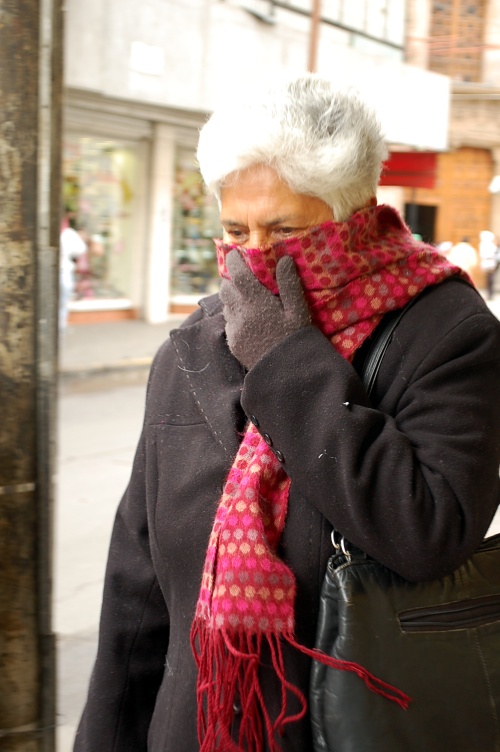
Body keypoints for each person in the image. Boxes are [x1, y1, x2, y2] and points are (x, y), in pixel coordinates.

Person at [74, 75, 500, 752]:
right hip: (197, 729)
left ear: (353, 216)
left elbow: (429, 532)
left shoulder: (446, 331)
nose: (253, 257)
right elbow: (138, 583)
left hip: (355, 727)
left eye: (285, 229)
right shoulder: (194, 346)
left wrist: (287, 361)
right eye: (234, 230)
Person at [59, 213, 87, 330]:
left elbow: (81, 249)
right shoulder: (68, 233)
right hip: (64, 271)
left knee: (62, 300)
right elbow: (81, 249)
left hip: (64, 271)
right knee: (62, 301)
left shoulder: (68, 233)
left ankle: (60, 325)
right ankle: (61, 325)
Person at [479, 229, 498, 299]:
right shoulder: (483, 244)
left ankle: (490, 293)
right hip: (487, 262)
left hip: (490, 263)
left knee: (490, 279)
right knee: (489, 279)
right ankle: (489, 292)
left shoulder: (490, 244)